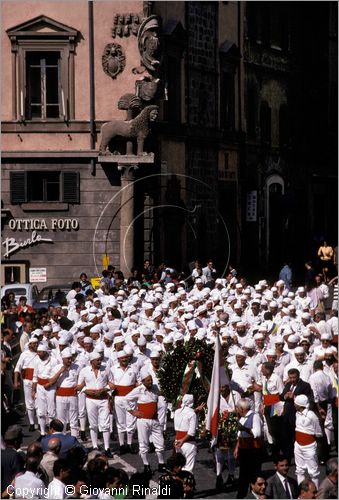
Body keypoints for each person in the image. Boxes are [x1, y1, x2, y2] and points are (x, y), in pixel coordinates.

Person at [120, 366, 165, 475]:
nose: (151, 382)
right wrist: (133, 411)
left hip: (155, 420)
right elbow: (125, 399)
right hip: (143, 421)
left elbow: (162, 393)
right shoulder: (138, 390)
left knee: (160, 443)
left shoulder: (155, 388)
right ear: (143, 381)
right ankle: (146, 465)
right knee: (143, 444)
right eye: (148, 380)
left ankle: (161, 464)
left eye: (151, 379)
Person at [78, 351, 112, 457]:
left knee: (105, 424)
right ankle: (95, 446)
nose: (99, 362)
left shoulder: (106, 369)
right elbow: (79, 386)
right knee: (93, 424)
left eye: (100, 360)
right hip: (91, 400)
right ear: (91, 361)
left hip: (103, 400)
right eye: (97, 360)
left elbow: (112, 383)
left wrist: (105, 389)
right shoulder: (84, 371)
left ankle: (107, 448)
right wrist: (86, 390)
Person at [280, 368, 314, 461]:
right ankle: (288, 456)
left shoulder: (305, 385)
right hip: (287, 414)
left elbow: (308, 399)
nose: (292, 380)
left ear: (298, 376)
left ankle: (299, 456)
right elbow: (282, 396)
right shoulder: (288, 384)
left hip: (298, 414)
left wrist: (294, 397)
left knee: (296, 436)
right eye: (290, 378)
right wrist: (285, 396)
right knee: (287, 436)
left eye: (294, 377)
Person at [234, 398, 263, 499]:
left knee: (253, 475)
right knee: (243, 475)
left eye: (237, 408)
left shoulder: (254, 417)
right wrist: (237, 448)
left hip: (253, 450)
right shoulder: (242, 418)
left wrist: (244, 429)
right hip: (244, 450)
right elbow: (240, 435)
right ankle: (241, 495)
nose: (236, 409)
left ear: (242, 409)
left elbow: (257, 433)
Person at [294, 395, 322, 489]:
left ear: (300, 405)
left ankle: (315, 493)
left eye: (296, 403)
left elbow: (318, 432)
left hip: (309, 447)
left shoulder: (311, 415)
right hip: (298, 446)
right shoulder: (297, 413)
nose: (294, 404)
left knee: (313, 472)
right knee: (299, 470)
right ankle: (301, 492)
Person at [14, 337, 39, 431]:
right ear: (30, 345)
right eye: (34, 343)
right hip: (28, 381)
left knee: (38, 402)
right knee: (29, 403)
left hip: (38, 381)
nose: (36, 345)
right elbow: (17, 368)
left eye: (37, 343)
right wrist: (16, 381)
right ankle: (32, 423)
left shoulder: (40, 353)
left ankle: (40, 423)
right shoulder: (24, 355)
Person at [173, 394, 198, 473]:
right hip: (188, 443)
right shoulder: (192, 414)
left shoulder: (177, 412)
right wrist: (183, 440)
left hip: (177, 442)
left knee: (180, 466)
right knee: (188, 469)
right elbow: (192, 432)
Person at [1, 425, 25, 495]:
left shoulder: (2, 453)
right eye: (21, 439)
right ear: (16, 442)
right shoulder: (15, 456)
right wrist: (5, 494)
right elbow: (17, 481)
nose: (22, 441)